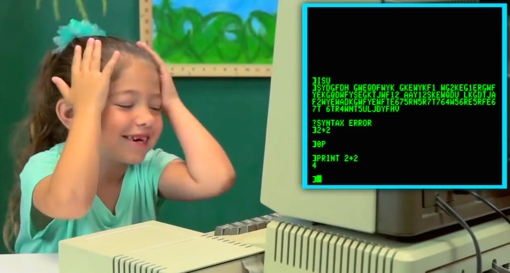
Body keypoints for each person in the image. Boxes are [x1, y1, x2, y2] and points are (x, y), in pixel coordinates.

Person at [2, 19, 236, 253]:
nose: (146, 118)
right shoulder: (43, 167)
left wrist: (173, 103)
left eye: (155, 106)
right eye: (125, 104)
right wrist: (87, 111)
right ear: (70, 113)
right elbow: (71, 202)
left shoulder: (148, 168)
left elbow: (216, 179)